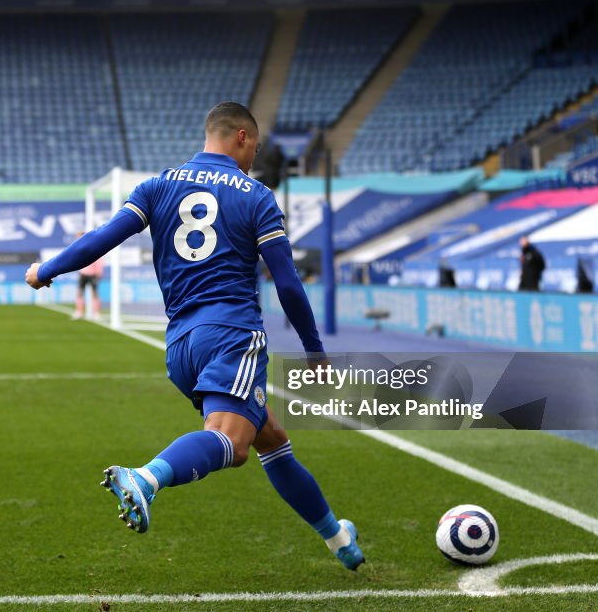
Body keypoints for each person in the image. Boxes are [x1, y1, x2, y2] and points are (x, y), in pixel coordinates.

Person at [25, 102, 364, 571]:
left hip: (181, 347)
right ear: (242, 137)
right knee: (233, 443)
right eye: (255, 148)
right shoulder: (256, 195)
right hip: (231, 334)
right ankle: (145, 479)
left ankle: (338, 538)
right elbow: (286, 282)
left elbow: (102, 238)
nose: (254, 159)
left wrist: (46, 270)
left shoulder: (157, 185)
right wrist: (314, 349)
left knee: (270, 438)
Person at [71, 231, 103, 321]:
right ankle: (79, 312)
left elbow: (99, 260)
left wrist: (99, 272)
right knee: (80, 292)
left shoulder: (93, 246)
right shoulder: (77, 248)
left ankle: (96, 313)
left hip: (93, 274)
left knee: (94, 293)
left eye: (79, 237)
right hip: (83, 273)